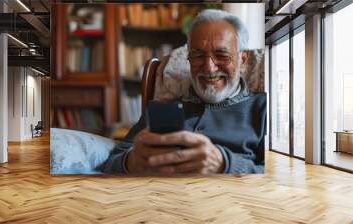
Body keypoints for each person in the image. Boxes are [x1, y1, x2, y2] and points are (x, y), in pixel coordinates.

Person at [99, 9, 266, 174]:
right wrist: (132, 161)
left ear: (243, 60)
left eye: (222, 55)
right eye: (198, 55)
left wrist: (225, 164)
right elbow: (112, 163)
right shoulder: (163, 108)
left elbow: (276, 176)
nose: (209, 68)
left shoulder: (262, 109)